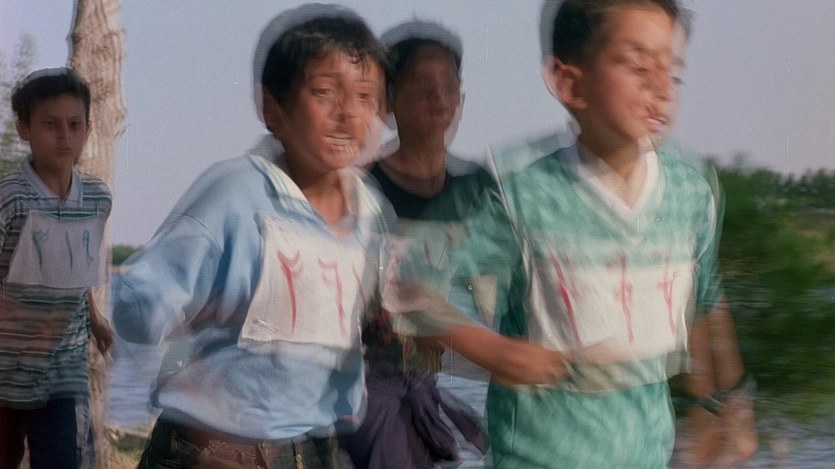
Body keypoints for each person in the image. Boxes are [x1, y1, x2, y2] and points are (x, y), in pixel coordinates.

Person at [396, 0, 754, 466]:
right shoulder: (519, 193)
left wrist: (726, 402)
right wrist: (498, 354)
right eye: (638, 67)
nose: (662, 89)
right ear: (569, 83)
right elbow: (411, 284)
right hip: (536, 456)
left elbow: (704, 294)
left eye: (673, 72)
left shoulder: (691, 191)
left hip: (646, 455)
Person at [110, 5, 392, 468]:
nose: (348, 114)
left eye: (366, 97)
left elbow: (364, 317)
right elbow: (139, 302)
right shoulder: (237, 195)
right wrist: (169, 308)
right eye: (325, 93)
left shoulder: (370, 211)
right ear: (272, 109)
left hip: (314, 446)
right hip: (216, 451)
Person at [338, 20, 492, 469]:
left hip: (432, 379)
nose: (439, 98)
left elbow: (493, 289)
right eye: (422, 86)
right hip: (365, 387)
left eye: (449, 85)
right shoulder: (359, 188)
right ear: (387, 104)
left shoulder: (476, 190)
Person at [0, 68, 113, 469]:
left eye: (74, 125)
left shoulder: (97, 199)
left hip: (64, 365)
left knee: (65, 458)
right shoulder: (11, 199)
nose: (64, 137)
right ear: (24, 129)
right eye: (50, 125)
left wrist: (96, 320)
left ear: (87, 129)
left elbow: (77, 267)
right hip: (6, 366)